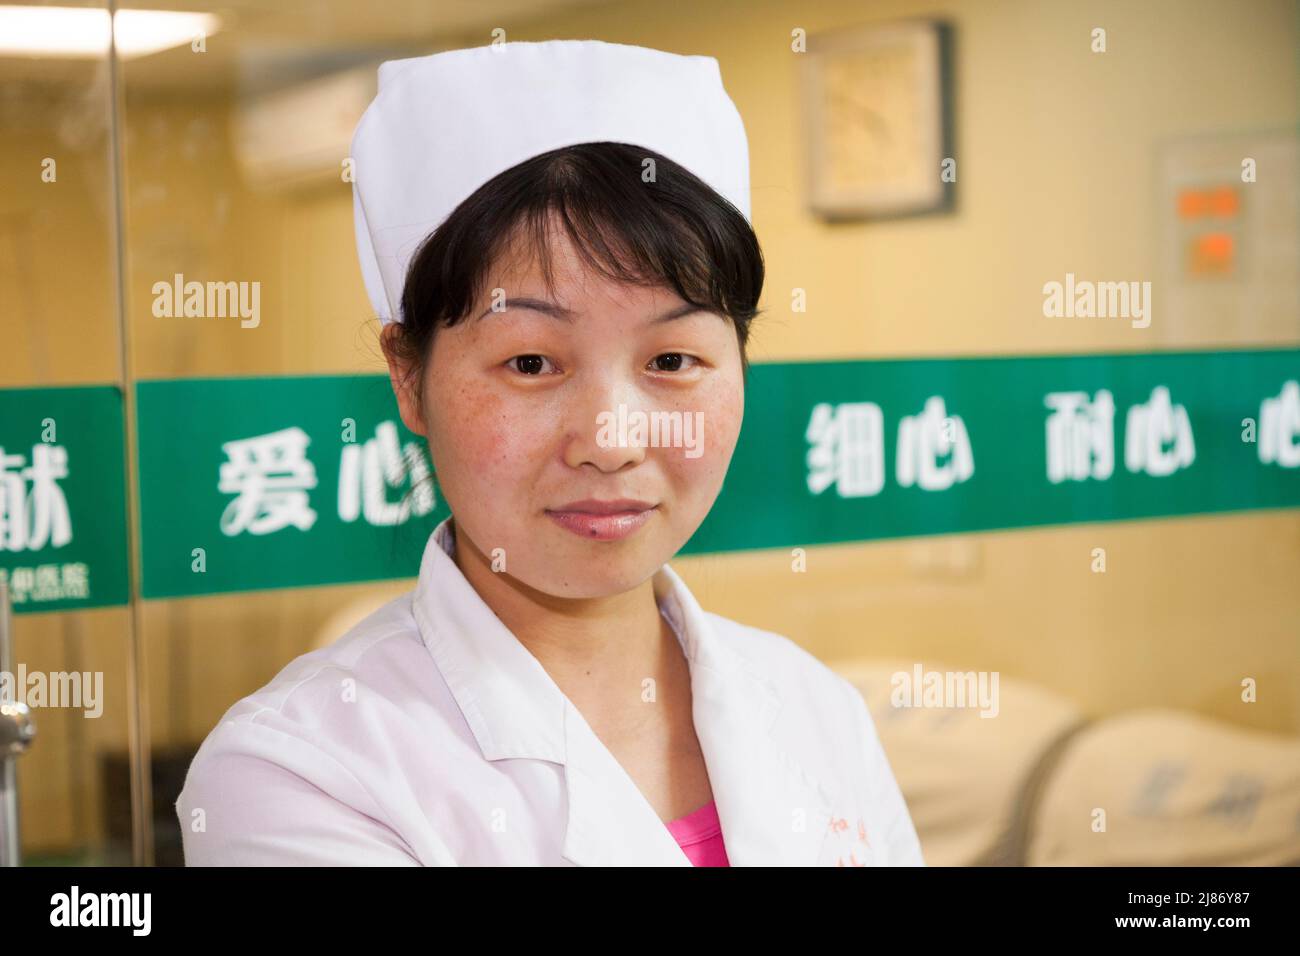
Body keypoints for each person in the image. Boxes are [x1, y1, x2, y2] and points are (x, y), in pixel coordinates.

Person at [176, 38, 924, 867]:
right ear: (408, 377)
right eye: (530, 363)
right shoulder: (301, 775)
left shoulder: (814, 708)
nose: (611, 441)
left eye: (672, 361)